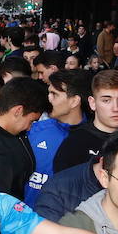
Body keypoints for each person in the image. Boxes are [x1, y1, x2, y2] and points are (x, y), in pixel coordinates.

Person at [25, 68, 85, 205]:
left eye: (54, 94)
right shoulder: (33, 131)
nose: (48, 98)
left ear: (74, 101)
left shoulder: (91, 141)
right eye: (49, 92)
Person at [53, 70, 118, 173]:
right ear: (93, 103)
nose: (115, 108)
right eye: (106, 100)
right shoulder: (75, 144)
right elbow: (61, 186)